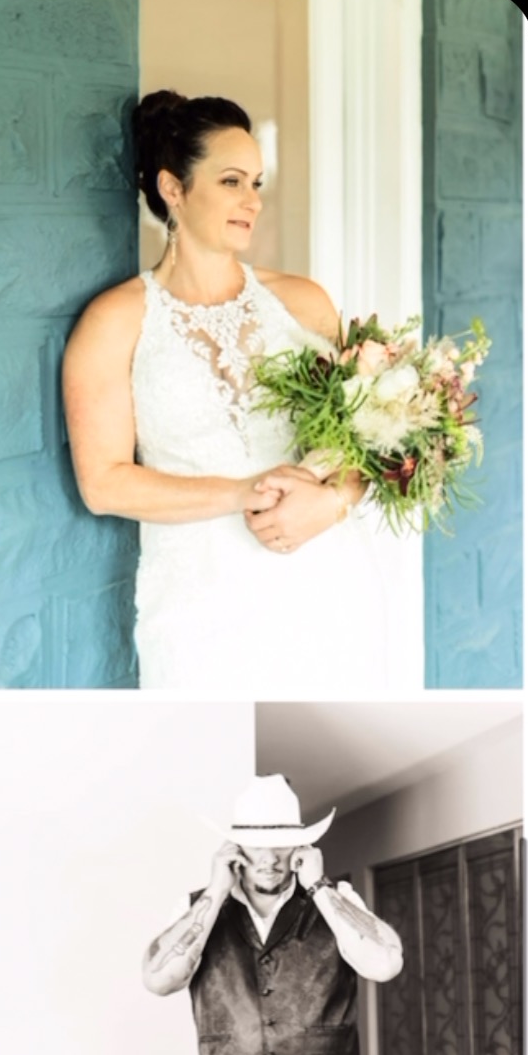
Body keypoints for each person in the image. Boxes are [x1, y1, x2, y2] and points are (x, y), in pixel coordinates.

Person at [63, 90, 390, 694]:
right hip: (201, 604)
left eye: (257, 183)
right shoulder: (113, 322)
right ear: (173, 188)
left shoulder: (304, 302)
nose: (252, 201)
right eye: (232, 181)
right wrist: (247, 493)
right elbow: (103, 483)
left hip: (327, 582)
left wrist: (333, 502)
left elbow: (371, 432)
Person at [143, 774, 403, 1055]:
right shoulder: (199, 906)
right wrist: (215, 892)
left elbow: (385, 965)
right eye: (256, 846)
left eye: (281, 845)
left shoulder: (336, 898)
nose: (269, 859)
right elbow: (158, 981)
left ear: (300, 848)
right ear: (235, 848)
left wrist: (319, 887)